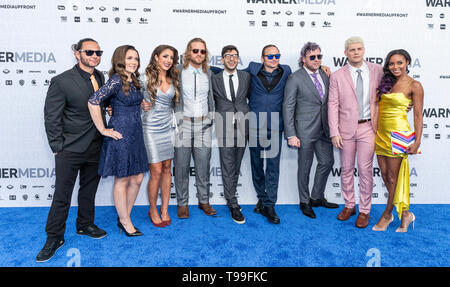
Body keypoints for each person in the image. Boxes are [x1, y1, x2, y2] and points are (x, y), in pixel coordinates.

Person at [38, 38, 108, 262]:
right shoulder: (61, 81)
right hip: (70, 147)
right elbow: (52, 116)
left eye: (98, 52)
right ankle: (54, 237)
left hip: (96, 145)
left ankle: (85, 224)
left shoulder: (100, 76)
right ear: (77, 54)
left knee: (88, 190)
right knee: (62, 195)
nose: (95, 56)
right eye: (89, 52)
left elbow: (99, 107)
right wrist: (57, 146)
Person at [88, 45, 148, 236]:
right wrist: (103, 129)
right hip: (120, 136)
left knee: (137, 178)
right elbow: (93, 101)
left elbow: (129, 102)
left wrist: (143, 104)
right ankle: (124, 220)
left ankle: (125, 215)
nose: (133, 62)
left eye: (136, 59)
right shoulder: (115, 81)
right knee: (122, 178)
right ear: (120, 60)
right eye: (129, 58)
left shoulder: (135, 80)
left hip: (136, 134)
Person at [328, 36, 383, 228]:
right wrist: (334, 132)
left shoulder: (377, 70)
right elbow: (333, 105)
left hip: (369, 127)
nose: (356, 52)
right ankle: (349, 204)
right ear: (345, 53)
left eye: (359, 48)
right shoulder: (337, 76)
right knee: (346, 168)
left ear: (364, 50)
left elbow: (390, 93)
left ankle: (365, 210)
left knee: (366, 169)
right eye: (352, 50)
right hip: (345, 129)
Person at [283, 42, 338, 219]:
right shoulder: (295, 78)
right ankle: (304, 201)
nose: (316, 60)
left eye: (319, 56)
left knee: (327, 162)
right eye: (312, 57)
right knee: (304, 168)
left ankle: (317, 196)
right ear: (303, 59)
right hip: (304, 130)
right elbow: (288, 106)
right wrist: (291, 134)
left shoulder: (326, 74)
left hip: (325, 128)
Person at [372, 49, 423, 232]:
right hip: (381, 135)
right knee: (386, 176)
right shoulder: (386, 82)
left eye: (400, 63)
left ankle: (387, 215)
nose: (395, 67)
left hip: (399, 136)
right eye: (392, 63)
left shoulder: (414, 85)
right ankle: (407, 214)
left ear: (408, 62)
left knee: (393, 178)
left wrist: (416, 142)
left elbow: (417, 115)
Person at [244, 45, 292, 224]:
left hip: (275, 125)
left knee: (273, 166)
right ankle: (262, 198)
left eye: (277, 55)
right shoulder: (252, 69)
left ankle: (270, 205)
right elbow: (231, 72)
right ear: (262, 58)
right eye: (270, 56)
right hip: (255, 124)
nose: (274, 59)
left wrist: (324, 69)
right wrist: (207, 69)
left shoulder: (286, 71)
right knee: (256, 164)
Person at [173, 38, 216, 218]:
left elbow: (212, 98)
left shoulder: (210, 73)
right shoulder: (177, 72)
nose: (199, 54)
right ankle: (182, 204)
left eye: (202, 51)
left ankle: (203, 201)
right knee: (181, 167)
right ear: (188, 52)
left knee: (203, 166)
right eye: (195, 50)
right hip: (183, 125)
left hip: (204, 125)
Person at [141, 45, 180, 227]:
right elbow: (128, 97)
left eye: (171, 57)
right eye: (165, 56)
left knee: (166, 168)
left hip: (168, 127)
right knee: (155, 170)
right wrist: (140, 102)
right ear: (156, 57)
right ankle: (153, 209)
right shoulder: (143, 78)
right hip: (150, 127)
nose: (168, 60)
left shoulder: (174, 77)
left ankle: (165, 208)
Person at [211, 45, 251, 224]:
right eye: (228, 56)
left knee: (236, 164)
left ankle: (230, 195)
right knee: (227, 165)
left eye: (235, 55)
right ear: (222, 59)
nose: (232, 59)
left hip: (243, 125)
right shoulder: (214, 78)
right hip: (224, 126)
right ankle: (233, 203)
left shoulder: (246, 76)